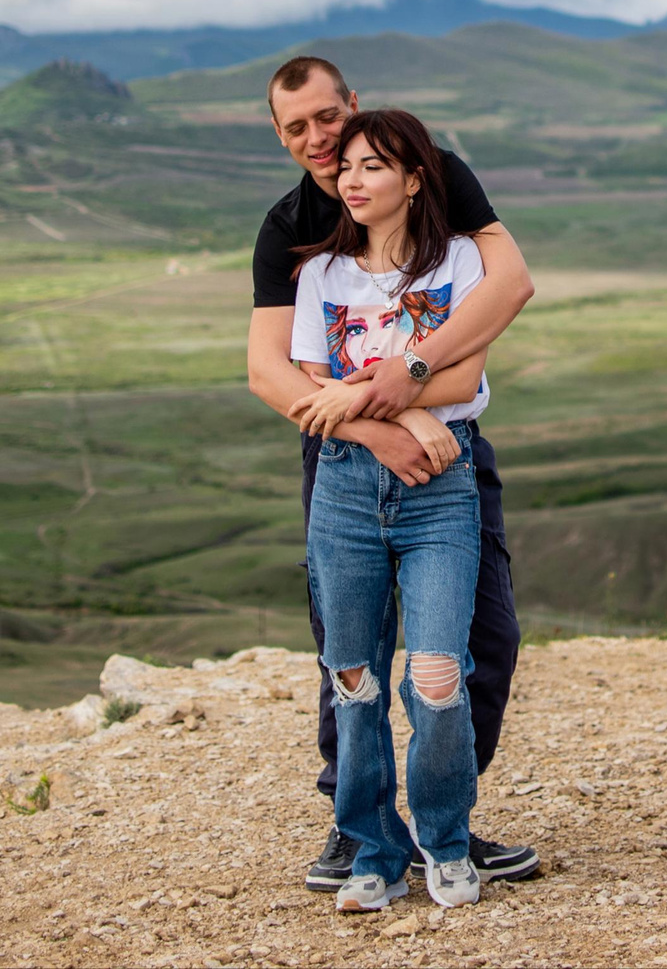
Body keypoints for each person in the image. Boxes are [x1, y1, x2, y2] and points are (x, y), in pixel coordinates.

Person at [244, 55, 540, 891]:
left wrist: (410, 376)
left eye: (328, 118)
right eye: (296, 126)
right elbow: (273, 373)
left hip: (446, 443)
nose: (319, 139)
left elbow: (508, 284)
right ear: (279, 133)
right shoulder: (292, 228)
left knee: (482, 636)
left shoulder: (433, 173)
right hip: (344, 446)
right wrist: (383, 424)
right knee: (350, 648)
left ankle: (446, 817)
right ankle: (359, 824)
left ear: (354, 106)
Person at [291, 108, 492, 910]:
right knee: (354, 677)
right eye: (347, 167)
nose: (352, 178)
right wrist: (402, 415)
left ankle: (444, 839)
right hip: (345, 482)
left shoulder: (461, 263)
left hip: (440, 487)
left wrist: (376, 400)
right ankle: (374, 850)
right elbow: (311, 393)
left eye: (374, 165)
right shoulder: (320, 277)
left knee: (438, 674)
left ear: (415, 179)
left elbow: (465, 375)